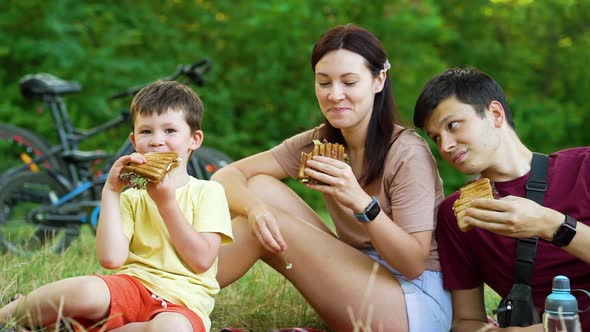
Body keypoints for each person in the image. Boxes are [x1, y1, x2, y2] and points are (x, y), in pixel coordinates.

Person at [212, 24, 452, 331]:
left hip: (415, 305)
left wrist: (360, 201)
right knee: (259, 189)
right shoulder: (320, 143)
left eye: (349, 82)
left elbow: (413, 263)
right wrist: (254, 208)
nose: (335, 95)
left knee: (260, 224)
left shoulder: (407, 152)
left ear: (379, 80)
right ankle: (163, 287)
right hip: (360, 276)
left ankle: (166, 294)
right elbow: (225, 176)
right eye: (324, 82)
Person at [0, 80, 233, 332]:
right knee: (87, 289)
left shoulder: (208, 191)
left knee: (172, 329)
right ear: (133, 140)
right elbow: (111, 259)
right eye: (146, 132)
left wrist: (166, 204)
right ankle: (10, 315)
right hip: (131, 287)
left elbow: (202, 260)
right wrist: (111, 192)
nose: (156, 141)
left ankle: (68, 326)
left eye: (169, 131)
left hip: (183, 306)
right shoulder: (131, 197)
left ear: (194, 139)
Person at [413, 67, 590, 331]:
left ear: (495, 114)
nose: (445, 146)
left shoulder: (583, 167)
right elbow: (466, 321)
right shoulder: (459, 214)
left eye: (452, 125)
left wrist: (551, 225)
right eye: (436, 137)